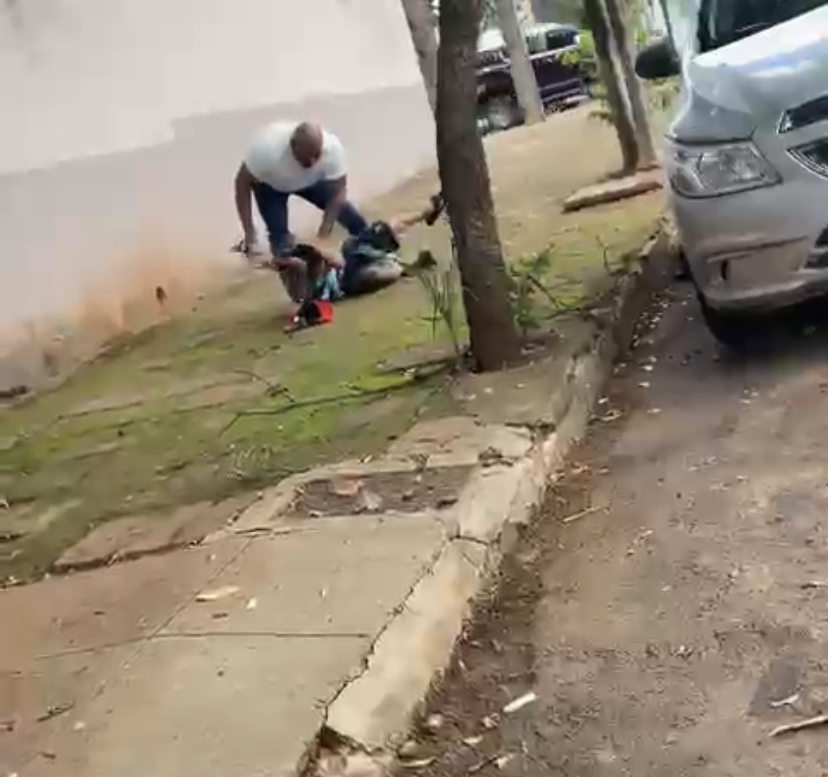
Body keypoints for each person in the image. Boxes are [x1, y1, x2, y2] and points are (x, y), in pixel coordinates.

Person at [233, 120, 368, 301]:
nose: (312, 161)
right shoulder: (267, 150)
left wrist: (324, 234)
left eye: (316, 156)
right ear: (292, 146)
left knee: (355, 221)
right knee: (281, 240)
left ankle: (368, 258)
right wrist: (250, 232)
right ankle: (299, 292)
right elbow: (241, 184)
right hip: (271, 186)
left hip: (311, 182)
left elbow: (339, 191)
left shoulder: (332, 149)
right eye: (306, 156)